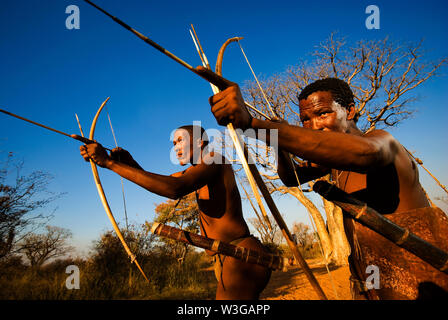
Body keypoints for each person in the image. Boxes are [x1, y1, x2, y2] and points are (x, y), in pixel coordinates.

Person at [203, 72, 448, 300]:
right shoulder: (332, 164)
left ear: (350, 111)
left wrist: (256, 124)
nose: (314, 126)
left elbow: (365, 155)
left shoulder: (382, 142)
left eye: (323, 114)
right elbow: (292, 178)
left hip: (423, 283)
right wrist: (278, 143)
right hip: (370, 284)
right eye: (305, 120)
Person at [79, 124, 271, 299]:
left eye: (180, 140)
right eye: (173, 143)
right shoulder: (196, 171)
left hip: (240, 255)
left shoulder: (214, 159)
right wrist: (128, 163)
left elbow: (174, 188)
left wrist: (110, 164)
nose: (176, 147)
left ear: (199, 141)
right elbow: (163, 183)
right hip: (226, 256)